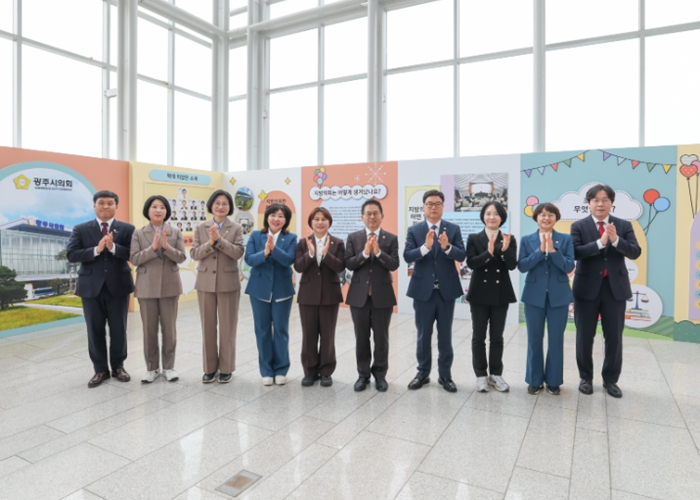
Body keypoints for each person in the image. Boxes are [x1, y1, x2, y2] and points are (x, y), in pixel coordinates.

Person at [572, 184, 641, 398]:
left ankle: (610, 380)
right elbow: (575, 252)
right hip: (586, 289)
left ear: (611, 203)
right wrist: (600, 243)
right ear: (589, 203)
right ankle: (585, 377)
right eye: (595, 200)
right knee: (584, 336)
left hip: (614, 289)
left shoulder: (623, 225)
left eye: (605, 200)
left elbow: (635, 252)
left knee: (614, 337)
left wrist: (616, 240)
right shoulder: (578, 226)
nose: (600, 204)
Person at [66, 190, 135, 388]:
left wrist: (113, 247)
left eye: (110, 203)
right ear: (94, 206)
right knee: (94, 329)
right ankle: (100, 370)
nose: (106, 206)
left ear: (116, 206)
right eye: (101, 202)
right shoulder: (80, 229)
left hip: (118, 286)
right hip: (90, 287)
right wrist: (97, 250)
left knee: (119, 329)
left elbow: (133, 253)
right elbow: (72, 254)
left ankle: (118, 367)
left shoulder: (127, 229)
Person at [404, 189, 466, 393]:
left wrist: (447, 247)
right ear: (423, 207)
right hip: (423, 292)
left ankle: (445, 375)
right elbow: (407, 256)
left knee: (445, 335)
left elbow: (461, 255)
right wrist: (425, 247)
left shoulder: (453, 229)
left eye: (437, 203)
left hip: (445, 291)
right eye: (429, 203)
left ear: (443, 206)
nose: (433, 207)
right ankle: (422, 373)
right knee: (423, 335)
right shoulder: (415, 230)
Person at [518, 202, 574, 395]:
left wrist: (553, 251)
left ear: (556, 218)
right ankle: (534, 380)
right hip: (534, 296)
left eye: (551, 214)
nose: (546, 218)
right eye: (542, 214)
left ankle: (553, 381)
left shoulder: (565, 239)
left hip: (559, 296)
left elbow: (569, 266)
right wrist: (540, 251)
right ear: (536, 218)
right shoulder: (527, 240)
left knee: (556, 340)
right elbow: (522, 266)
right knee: (534, 339)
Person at [130, 195, 186, 383]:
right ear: (148, 210)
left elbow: (181, 257)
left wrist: (166, 247)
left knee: (170, 330)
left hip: (170, 285)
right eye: (154, 206)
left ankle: (169, 367)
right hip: (146, 287)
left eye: (162, 207)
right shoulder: (138, 233)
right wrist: (153, 248)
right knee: (149, 330)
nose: (158, 210)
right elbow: (134, 259)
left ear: (167, 211)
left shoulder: (175, 232)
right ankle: (152, 368)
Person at [190, 190, 245, 383]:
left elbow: (238, 253)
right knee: (208, 327)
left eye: (225, 203)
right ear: (211, 206)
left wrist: (219, 241)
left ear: (229, 207)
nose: (221, 206)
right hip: (205, 283)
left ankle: (227, 368)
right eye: (217, 203)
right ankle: (209, 368)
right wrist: (210, 243)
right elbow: (194, 253)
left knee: (228, 327)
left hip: (228, 283)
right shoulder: (200, 227)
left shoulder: (236, 228)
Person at [345, 200, 399, 392]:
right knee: (361, 338)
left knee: (381, 338)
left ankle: (380, 375)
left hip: (382, 297)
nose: (372, 216)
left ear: (382, 216)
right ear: (362, 217)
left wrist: (379, 252)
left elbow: (394, 264)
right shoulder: (353, 237)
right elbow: (349, 263)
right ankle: (363, 375)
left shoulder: (391, 238)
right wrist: (366, 254)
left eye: (375, 213)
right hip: (359, 297)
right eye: (368, 213)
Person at [466, 201, 517, 393]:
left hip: (500, 293)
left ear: (502, 217)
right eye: (488, 213)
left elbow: (512, 265)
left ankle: (496, 374)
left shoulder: (509, 239)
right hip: (479, 293)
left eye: (496, 214)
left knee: (497, 337)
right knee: (478, 336)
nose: (492, 217)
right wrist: (488, 253)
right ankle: (481, 375)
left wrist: (503, 251)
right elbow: (471, 263)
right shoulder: (474, 238)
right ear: (483, 216)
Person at [244, 203, 297, 386]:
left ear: (286, 220)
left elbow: (289, 260)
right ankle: (266, 370)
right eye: (273, 215)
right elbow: (249, 259)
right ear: (267, 217)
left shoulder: (291, 238)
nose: (276, 219)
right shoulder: (255, 235)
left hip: (282, 291)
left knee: (281, 331)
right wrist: (265, 253)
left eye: (281, 216)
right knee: (262, 331)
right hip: (259, 290)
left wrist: (274, 250)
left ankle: (281, 369)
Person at [294, 207, 345, 387]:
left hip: (330, 295)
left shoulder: (338, 243)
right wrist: (310, 254)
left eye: (324, 219)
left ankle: (326, 372)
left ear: (329, 222)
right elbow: (298, 267)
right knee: (309, 335)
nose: (320, 222)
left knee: (327, 335)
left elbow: (340, 266)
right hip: (307, 296)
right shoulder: (303, 243)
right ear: (311, 223)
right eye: (316, 219)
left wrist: (325, 254)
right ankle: (310, 372)